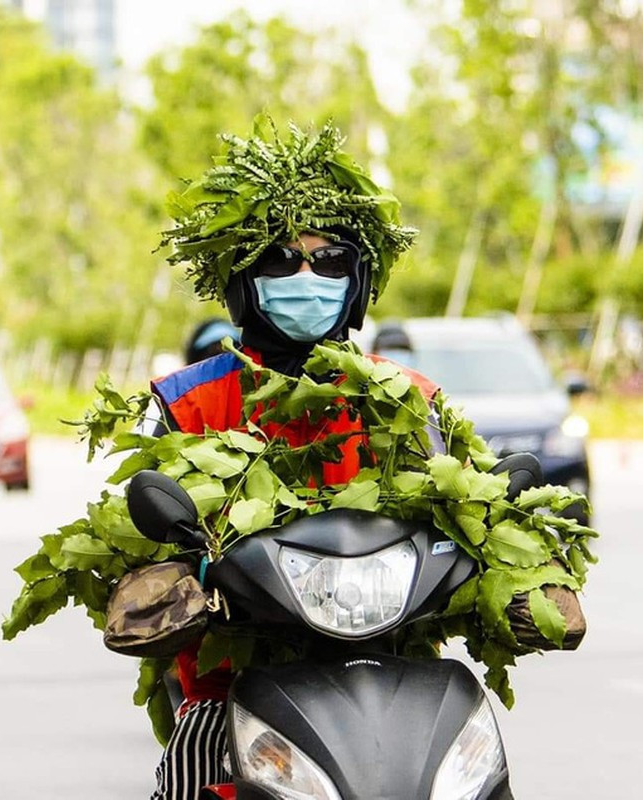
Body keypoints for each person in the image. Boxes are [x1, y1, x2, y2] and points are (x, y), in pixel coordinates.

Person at [141, 120, 584, 798]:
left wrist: (526, 576)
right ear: (240, 281)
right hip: (233, 665)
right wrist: (159, 581)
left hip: (395, 654)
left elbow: (466, 502)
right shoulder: (186, 401)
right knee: (196, 752)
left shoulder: (408, 396)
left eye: (328, 261)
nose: (306, 277)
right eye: (281, 261)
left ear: (358, 280)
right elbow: (136, 536)